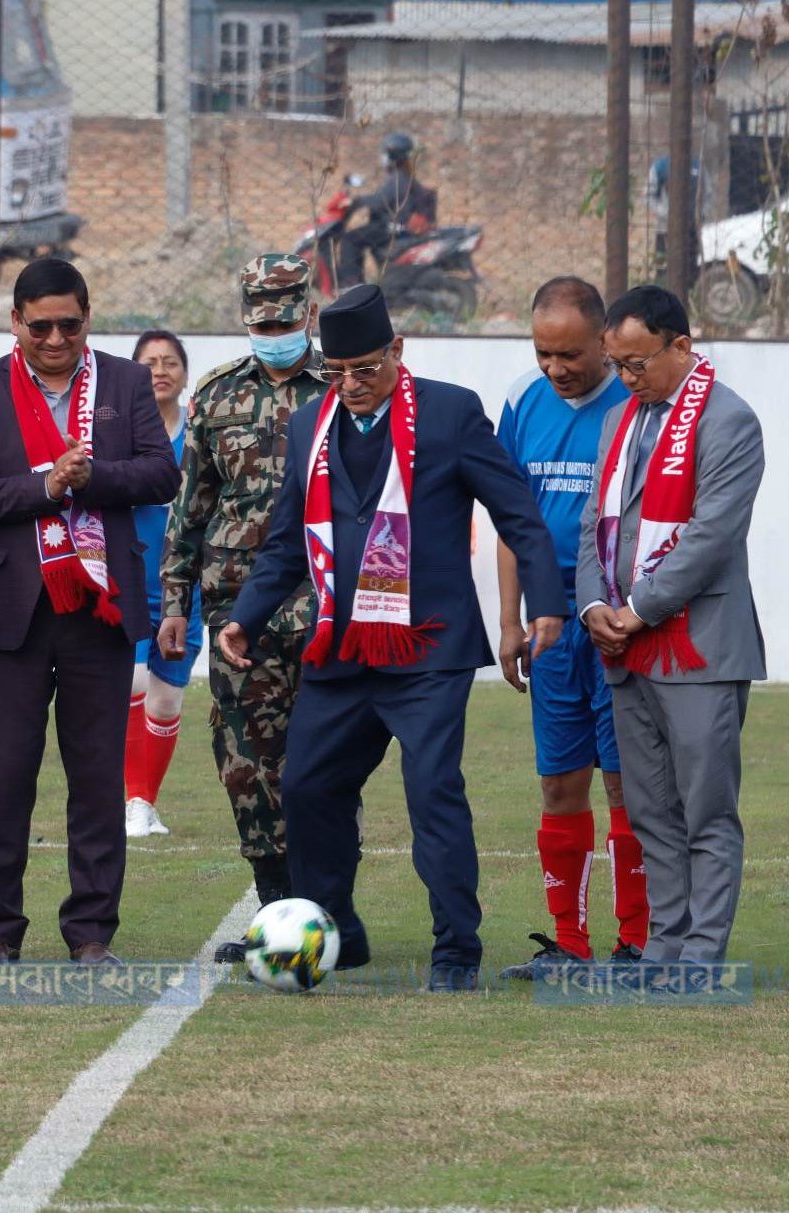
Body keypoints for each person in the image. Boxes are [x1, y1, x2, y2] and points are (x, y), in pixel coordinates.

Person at [217, 283, 565, 992]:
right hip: (341, 648)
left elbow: (518, 513)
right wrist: (243, 617)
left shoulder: (451, 414)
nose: (350, 385)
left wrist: (545, 606)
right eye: (337, 370)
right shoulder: (308, 423)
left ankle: (455, 950)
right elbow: (285, 542)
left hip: (428, 649)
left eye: (366, 370)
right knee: (308, 784)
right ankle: (334, 928)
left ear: (397, 352)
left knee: (431, 787)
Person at [0, 257, 179, 967]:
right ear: (15, 321)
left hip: (100, 609)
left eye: (69, 324)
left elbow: (161, 473)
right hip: (12, 610)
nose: (55, 338)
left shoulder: (125, 381)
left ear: (88, 316)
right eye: (40, 325)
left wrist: (94, 477)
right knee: (5, 775)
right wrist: (46, 485)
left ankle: (90, 933)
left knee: (95, 777)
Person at [579, 285, 765, 966]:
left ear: (681, 346)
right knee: (652, 809)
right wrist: (594, 605)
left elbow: (712, 536)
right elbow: (592, 528)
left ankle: (702, 952)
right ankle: (665, 942)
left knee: (705, 808)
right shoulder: (619, 420)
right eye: (617, 364)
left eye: (637, 363)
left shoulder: (730, 421)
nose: (626, 379)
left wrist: (637, 607)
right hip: (625, 647)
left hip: (698, 648)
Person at [157, 254, 331, 962]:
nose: (275, 331)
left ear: (309, 313)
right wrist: (175, 600)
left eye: (286, 320)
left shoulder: (342, 386)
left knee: (319, 769)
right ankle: (277, 916)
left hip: (324, 608)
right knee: (246, 767)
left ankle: (327, 912)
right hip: (237, 615)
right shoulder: (217, 394)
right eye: (262, 322)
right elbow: (189, 506)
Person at [491, 277, 647, 979]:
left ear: (605, 342)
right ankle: (569, 943)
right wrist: (509, 621)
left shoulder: (637, 408)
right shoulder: (523, 404)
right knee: (559, 786)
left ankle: (637, 941)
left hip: (618, 625)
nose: (556, 367)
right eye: (543, 352)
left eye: (571, 354)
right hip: (549, 630)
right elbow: (508, 521)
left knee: (626, 787)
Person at [122, 329, 199, 839]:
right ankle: (129, 802)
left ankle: (146, 802)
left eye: (170, 361)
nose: (160, 370)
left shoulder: (201, 433)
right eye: (149, 362)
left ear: (185, 374)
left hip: (184, 592)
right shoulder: (119, 432)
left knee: (167, 700)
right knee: (134, 684)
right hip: (128, 582)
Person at [335, 132, 436, 290]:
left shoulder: (398, 178)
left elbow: (380, 201)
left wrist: (356, 201)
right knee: (361, 236)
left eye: (384, 154)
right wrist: (363, 200)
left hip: (390, 227)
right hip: (395, 226)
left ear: (392, 155)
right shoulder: (402, 176)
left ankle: (352, 286)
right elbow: (382, 198)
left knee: (350, 240)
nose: (382, 158)